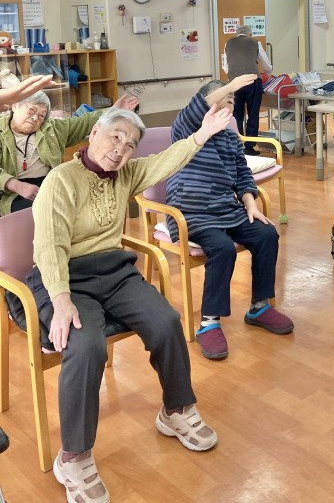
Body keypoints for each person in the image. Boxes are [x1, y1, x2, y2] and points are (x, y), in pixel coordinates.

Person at [29, 104, 233, 503]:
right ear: (93, 134)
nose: (120, 149)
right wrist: (61, 299)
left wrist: (201, 135)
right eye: (115, 137)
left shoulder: (126, 173)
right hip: (65, 277)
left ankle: (176, 410)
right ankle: (73, 455)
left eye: (129, 144)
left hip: (113, 270)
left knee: (166, 321)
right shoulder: (60, 179)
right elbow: (48, 245)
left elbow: (164, 161)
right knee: (85, 345)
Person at [167, 75, 294, 361]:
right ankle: (209, 322)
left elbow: (242, 173)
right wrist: (231, 86)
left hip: (226, 209)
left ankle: (259, 306)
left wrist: (250, 202)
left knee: (266, 234)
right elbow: (197, 106)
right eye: (224, 99)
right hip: (191, 211)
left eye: (232, 101)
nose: (229, 104)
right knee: (223, 248)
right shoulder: (187, 129)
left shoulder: (230, 138)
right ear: (208, 105)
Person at [0, 90, 137, 215]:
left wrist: (113, 111)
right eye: (31, 110)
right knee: (42, 209)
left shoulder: (52, 128)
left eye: (41, 115)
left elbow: (84, 122)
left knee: (88, 199)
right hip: (11, 192)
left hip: (50, 183)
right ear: (15, 105)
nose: (35, 118)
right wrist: (17, 186)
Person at [224, 25, 272, 156]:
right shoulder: (255, 42)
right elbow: (267, 65)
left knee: (237, 115)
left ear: (237, 34)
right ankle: (250, 147)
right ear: (249, 35)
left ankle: (237, 146)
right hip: (252, 80)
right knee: (253, 113)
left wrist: (233, 76)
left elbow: (226, 67)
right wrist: (268, 74)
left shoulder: (228, 43)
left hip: (235, 82)